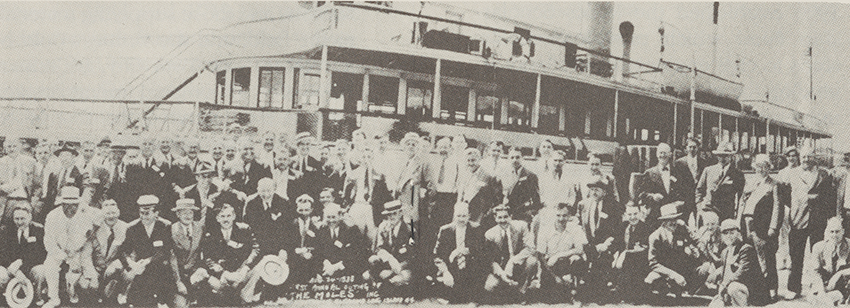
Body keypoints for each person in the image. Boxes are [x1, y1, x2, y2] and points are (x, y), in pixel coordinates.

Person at [786, 146, 836, 298]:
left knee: (818, 256)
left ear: (814, 157)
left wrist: (829, 217)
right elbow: (787, 196)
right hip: (797, 219)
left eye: (809, 156)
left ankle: (817, 287)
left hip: (817, 220)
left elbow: (829, 197)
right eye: (804, 156)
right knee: (795, 256)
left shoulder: (824, 174)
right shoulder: (792, 173)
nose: (806, 159)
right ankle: (794, 288)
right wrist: (797, 207)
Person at [42, 186, 100, 308]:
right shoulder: (52, 216)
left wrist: (75, 253)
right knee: (50, 266)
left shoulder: (85, 215)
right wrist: (61, 255)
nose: (71, 208)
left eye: (74, 204)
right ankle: (54, 298)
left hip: (79, 251)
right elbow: (48, 241)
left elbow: (100, 216)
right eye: (67, 205)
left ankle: (77, 296)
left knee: (92, 281)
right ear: (61, 204)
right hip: (58, 251)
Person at [197, 203, 259, 305]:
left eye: (229, 216)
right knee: (220, 290)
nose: (226, 219)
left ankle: (245, 297)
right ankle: (226, 296)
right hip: (222, 274)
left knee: (257, 270)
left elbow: (255, 248)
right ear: (217, 218)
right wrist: (223, 272)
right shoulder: (211, 233)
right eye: (222, 216)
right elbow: (207, 257)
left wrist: (246, 267)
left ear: (234, 216)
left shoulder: (244, 229)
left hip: (241, 272)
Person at [738, 154, 782, 298]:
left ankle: (772, 290)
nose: (761, 169)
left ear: (769, 168)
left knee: (767, 257)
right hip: (747, 224)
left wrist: (773, 228)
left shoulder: (774, 184)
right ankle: (757, 290)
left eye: (764, 166)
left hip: (763, 226)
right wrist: (738, 221)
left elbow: (777, 207)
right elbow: (742, 203)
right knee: (750, 256)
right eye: (758, 166)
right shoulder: (750, 182)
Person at [119, 195, 175, 307]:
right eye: (141, 213)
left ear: (156, 213)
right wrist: (131, 263)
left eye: (147, 213)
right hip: (140, 268)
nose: (143, 217)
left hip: (159, 266)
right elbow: (123, 251)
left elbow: (166, 250)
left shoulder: (165, 226)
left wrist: (148, 260)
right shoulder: (132, 227)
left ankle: (162, 301)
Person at [645, 202, 703, 296]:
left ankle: (688, 290)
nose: (673, 222)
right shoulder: (655, 237)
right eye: (669, 220)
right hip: (665, 271)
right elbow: (653, 263)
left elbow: (696, 240)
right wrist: (674, 275)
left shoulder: (681, 227)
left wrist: (696, 250)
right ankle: (665, 291)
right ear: (663, 221)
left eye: (675, 219)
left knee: (704, 269)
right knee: (651, 280)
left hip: (682, 268)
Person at [709, 219, 769, 306]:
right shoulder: (724, 252)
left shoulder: (746, 249)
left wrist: (725, 284)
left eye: (732, 232)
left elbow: (742, 271)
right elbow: (724, 274)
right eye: (725, 233)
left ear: (739, 233)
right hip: (730, 288)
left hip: (750, 292)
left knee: (734, 288)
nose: (729, 236)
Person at [483, 205, 538, 297]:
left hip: (518, 264)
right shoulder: (490, 234)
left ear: (510, 216)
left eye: (506, 217)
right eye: (499, 217)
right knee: (489, 287)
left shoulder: (521, 226)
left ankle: (522, 289)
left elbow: (530, 248)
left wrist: (512, 261)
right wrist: (502, 274)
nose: (503, 220)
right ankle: (508, 289)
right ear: (495, 218)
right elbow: (491, 260)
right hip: (501, 267)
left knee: (532, 260)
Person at [433, 203, 483, 303]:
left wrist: (460, 251)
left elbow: (480, 250)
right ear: (454, 215)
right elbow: (437, 255)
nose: (461, 219)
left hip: (470, 268)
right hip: (451, 268)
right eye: (458, 216)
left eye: (464, 216)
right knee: (443, 285)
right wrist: (445, 271)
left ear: (469, 215)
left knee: (472, 289)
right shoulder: (445, 230)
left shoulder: (476, 228)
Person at [537, 202, 586, 301]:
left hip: (568, 264)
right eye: (558, 215)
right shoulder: (545, 230)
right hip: (551, 267)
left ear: (569, 216)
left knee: (577, 259)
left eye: (564, 216)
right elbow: (540, 255)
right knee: (550, 298)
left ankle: (575, 290)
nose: (561, 219)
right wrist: (555, 277)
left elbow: (580, 249)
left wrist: (558, 255)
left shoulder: (575, 228)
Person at [577, 179, 618, 297]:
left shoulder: (612, 205)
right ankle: (584, 293)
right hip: (588, 244)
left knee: (603, 263)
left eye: (597, 190)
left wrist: (606, 243)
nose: (594, 192)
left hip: (606, 244)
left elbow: (617, 228)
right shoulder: (583, 205)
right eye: (592, 190)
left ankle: (602, 294)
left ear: (604, 192)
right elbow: (579, 225)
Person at [0, 205, 47, 306]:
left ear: (30, 217)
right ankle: (4, 298)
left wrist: (22, 262)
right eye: (16, 219)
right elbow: (2, 253)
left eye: (23, 218)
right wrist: (13, 269)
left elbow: (41, 254)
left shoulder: (39, 230)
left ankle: (37, 296)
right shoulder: (6, 230)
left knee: (41, 271)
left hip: (30, 267)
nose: (19, 222)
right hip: (11, 267)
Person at [638, 143, 692, 228]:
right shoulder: (650, 173)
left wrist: (681, 203)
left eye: (665, 153)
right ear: (656, 154)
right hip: (656, 216)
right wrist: (653, 196)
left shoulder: (679, 171)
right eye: (660, 153)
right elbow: (642, 194)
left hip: (676, 214)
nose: (662, 155)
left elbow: (687, 191)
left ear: (670, 154)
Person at [369, 200, 415, 292]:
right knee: (372, 260)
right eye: (388, 215)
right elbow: (378, 248)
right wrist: (389, 258)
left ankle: (385, 284)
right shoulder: (383, 227)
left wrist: (392, 271)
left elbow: (412, 257)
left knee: (398, 280)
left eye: (394, 214)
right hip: (386, 264)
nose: (391, 217)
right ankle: (381, 283)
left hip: (401, 267)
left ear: (401, 213)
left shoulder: (410, 230)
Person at [170, 199, 207, 308]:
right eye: (184, 213)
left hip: (195, 274)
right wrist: (178, 282)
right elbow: (172, 258)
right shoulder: (172, 230)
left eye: (190, 212)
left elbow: (203, 251)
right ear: (178, 214)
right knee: (181, 305)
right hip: (179, 275)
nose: (188, 216)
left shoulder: (199, 227)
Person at [611, 202, 651, 303]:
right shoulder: (623, 226)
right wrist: (616, 254)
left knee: (630, 257)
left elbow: (644, 248)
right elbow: (617, 243)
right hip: (623, 257)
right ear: (625, 215)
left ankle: (622, 290)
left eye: (635, 214)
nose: (633, 217)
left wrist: (625, 253)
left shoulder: (646, 228)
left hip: (640, 259)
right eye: (629, 214)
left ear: (641, 214)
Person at [91, 200, 129, 304]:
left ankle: (114, 295)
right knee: (88, 286)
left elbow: (127, 250)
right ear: (103, 215)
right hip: (97, 266)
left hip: (114, 266)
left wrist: (118, 263)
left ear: (119, 213)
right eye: (107, 214)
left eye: (114, 213)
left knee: (118, 273)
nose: (111, 217)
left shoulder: (125, 227)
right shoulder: (96, 228)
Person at [316, 203, 368, 278]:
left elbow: (357, 252)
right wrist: (326, 263)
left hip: (346, 269)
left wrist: (337, 266)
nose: (331, 220)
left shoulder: (351, 230)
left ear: (340, 216)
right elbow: (318, 251)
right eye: (328, 217)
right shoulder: (322, 231)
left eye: (334, 217)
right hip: (326, 270)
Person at [696, 142, 745, 221]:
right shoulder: (708, 170)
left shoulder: (737, 174)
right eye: (720, 155)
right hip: (708, 209)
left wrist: (737, 214)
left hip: (726, 212)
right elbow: (699, 190)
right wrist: (699, 207)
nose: (722, 159)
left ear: (731, 156)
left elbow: (741, 196)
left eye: (725, 156)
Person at [808, 217, 850, 305]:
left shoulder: (849, 245)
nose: (834, 235)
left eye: (837, 231)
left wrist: (840, 273)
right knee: (816, 299)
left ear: (843, 231)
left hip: (845, 284)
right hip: (825, 285)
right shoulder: (818, 247)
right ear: (827, 232)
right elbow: (815, 272)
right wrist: (821, 290)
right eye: (831, 231)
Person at [456, 148, 503, 227]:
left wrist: (485, 215)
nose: (471, 163)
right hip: (463, 215)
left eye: (473, 160)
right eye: (468, 160)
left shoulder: (489, 176)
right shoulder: (464, 175)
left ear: (479, 159)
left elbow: (495, 199)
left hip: (480, 217)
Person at [284, 194, 319, 284]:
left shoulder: (316, 225)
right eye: (301, 210)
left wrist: (308, 250)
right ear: (296, 209)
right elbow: (286, 242)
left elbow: (319, 244)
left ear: (311, 210)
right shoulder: (290, 224)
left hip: (310, 259)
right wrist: (295, 250)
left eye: (306, 210)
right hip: (294, 259)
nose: (304, 213)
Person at [501, 147, 540, 223]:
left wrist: (530, 213)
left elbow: (536, 200)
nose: (515, 160)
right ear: (508, 159)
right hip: (507, 215)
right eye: (512, 157)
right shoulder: (504, 175)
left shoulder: (530, 176)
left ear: (522, 158)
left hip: (523, 215)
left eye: (517, 157)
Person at [394, 132, 425, 223]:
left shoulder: (422, 163)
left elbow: (430, 187)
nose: (410, 146)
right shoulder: (403, 163)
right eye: (408, 144)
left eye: (413, 144)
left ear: (418, 148)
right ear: (404, 147)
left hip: (413, 205)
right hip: (401, 204)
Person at [290, 132, 323, 200]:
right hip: (293, 197)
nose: (305, 147)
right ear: (297, 146)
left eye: (307, 144)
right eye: (302, 144)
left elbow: (319, 182)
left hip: (310, 198)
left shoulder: (316, 163)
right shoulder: (291, 162)